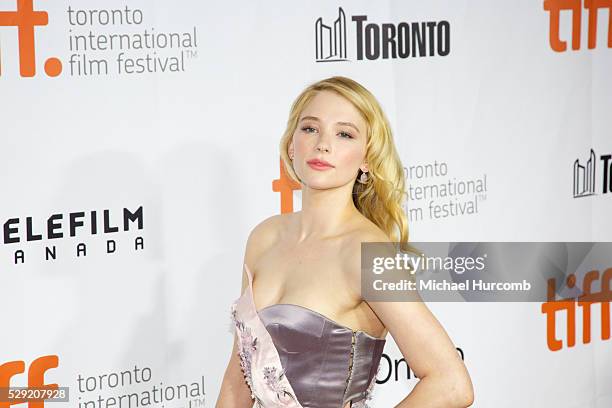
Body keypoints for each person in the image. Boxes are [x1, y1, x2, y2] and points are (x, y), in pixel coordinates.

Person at [216, 76, 474, 407]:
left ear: (367, 158)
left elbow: (451, 383)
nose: (323, 144)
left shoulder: (366, 253)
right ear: (291, 145)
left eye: (344, 134)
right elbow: (237, 380)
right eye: (310, 128)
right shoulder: (264, 238)